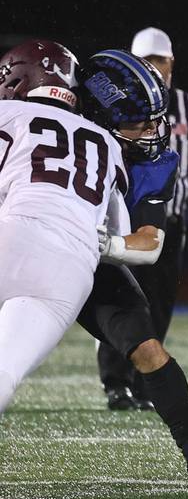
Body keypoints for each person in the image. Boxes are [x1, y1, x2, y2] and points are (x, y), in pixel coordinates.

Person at [73, 49, 188, 499]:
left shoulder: (152, 162)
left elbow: (149, 242)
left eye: (154, 120)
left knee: (149, 350)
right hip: (28, 253)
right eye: (140, 124)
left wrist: (98, 245)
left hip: (94, 260)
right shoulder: (48, 134)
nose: (154, 133)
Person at [95, 27, 188, 410]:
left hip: (170, 223)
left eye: (159, 62)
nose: (153, 69)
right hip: (124, 220)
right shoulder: (112, 111)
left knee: (159, 304)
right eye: (146, 62)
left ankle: (144, 384)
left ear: (171, 64)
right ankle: (116, 383)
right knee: (119, 299)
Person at [0, 39, 126, 414]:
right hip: (70, 269)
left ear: (18, 80)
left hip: (13, 235)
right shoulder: (107, 143)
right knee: (4, 372)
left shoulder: (8, 114)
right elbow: (125, 240)